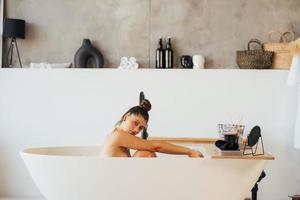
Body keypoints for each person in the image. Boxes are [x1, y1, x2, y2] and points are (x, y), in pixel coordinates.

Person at [101, 98, 203, 158]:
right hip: (112, 182)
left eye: (141, 128)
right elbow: (156, 146)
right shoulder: (118, 135)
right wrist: (190, 151)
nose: (137, 130)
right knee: (146, 153)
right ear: (125, 116)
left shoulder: (117, 134)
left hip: (117, 179)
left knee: (145, 152)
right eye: (135, 123)